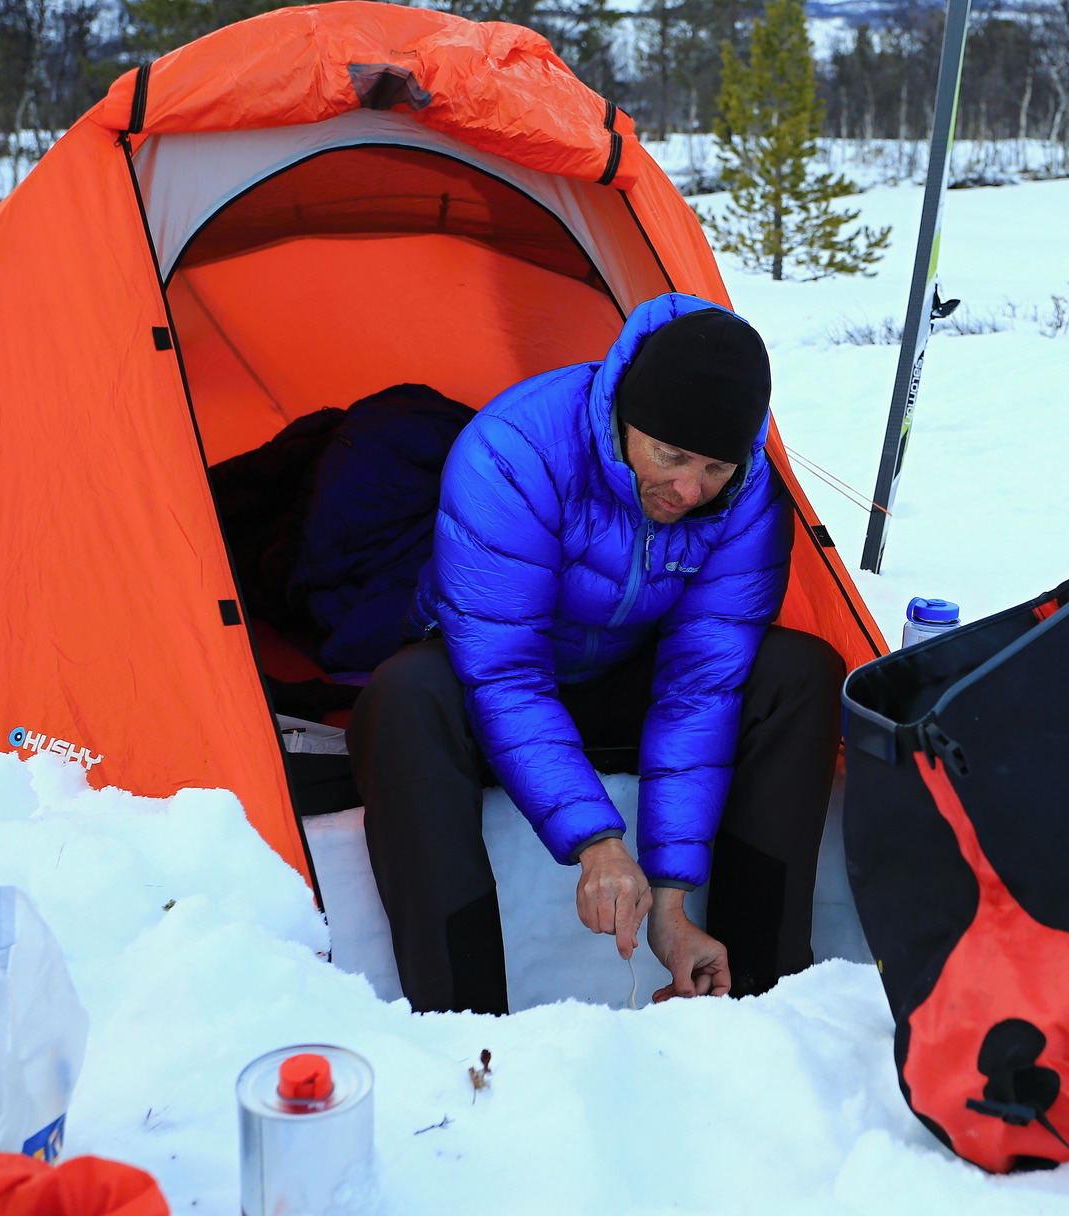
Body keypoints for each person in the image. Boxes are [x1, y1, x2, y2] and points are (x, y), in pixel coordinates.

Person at [348, 294, 845, 1015]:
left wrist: (671, 901)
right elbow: (504, 670)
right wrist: (598, 843)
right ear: (623, 418)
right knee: (401, 697)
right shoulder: (514, 451)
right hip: (495, 680)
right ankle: (463, 1023)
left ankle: (753, 996)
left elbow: (701, 686)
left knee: (798, 674)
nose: (688, 489)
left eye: (713, 467)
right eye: (670, 456)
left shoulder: (746, 494)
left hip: (622, 673)